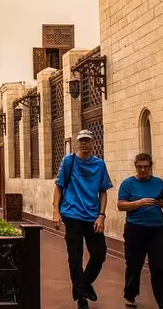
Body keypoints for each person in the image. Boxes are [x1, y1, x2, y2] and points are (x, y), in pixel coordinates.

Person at [53, 129, 112, 309]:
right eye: (81, 141)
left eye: (87, 141)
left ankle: (85, 283)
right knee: (75, 258)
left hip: (93, 216)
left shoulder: (99, 165)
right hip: (71, 215)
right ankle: (81, 298)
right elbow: (59, 187)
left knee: (99, 253)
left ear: (92, 143)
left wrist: (101, 216)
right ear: (77, 143)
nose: (84, 144)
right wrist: (55, 211)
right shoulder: (68, 161)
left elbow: (103, 191)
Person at [117, 153, 163, 309]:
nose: (142, 170)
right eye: (139, 167)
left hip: (157, 230)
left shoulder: (159, 183)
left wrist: (162, 203)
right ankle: (130, 294)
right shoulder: (127, 184)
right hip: (135, 229)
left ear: (150, 167)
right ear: (135, 166)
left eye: (146, 167)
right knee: (134, 265)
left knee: (159, 266)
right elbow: (121, 205)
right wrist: (139, 203)